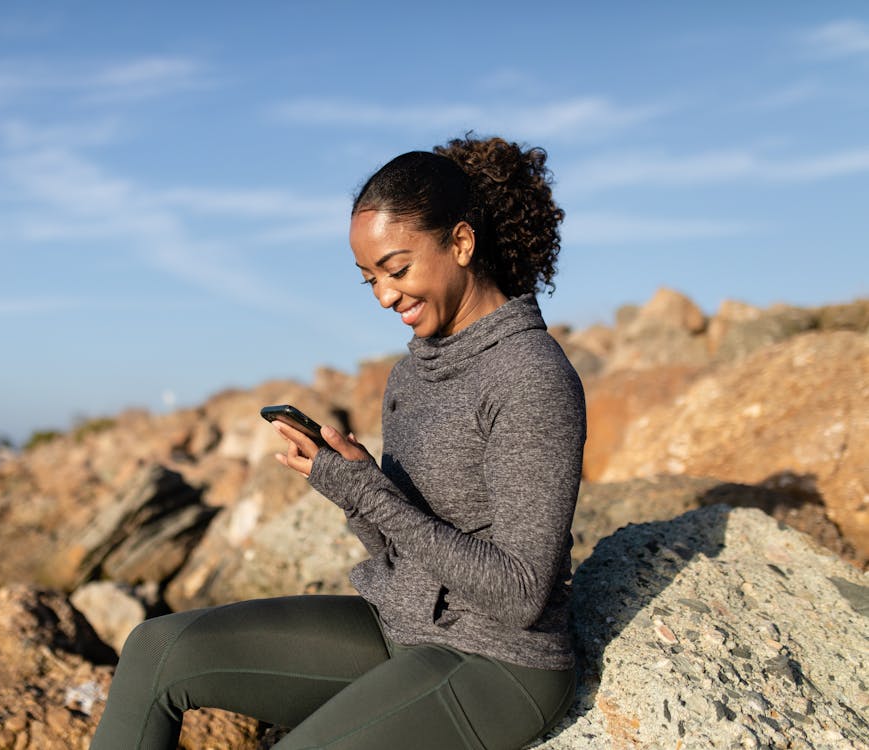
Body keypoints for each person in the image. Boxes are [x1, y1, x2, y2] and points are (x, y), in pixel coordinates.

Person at [89, 135, 585, 750]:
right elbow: (397, 551)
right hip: (398, 629)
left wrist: (373, 496)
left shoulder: (531, 376)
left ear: (461, 243)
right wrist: (351, 489)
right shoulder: (413, 373)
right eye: (369, 278)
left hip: (496, 664)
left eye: (397, 269)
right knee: (156, 649)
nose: (384, 295)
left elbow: (519, 593)